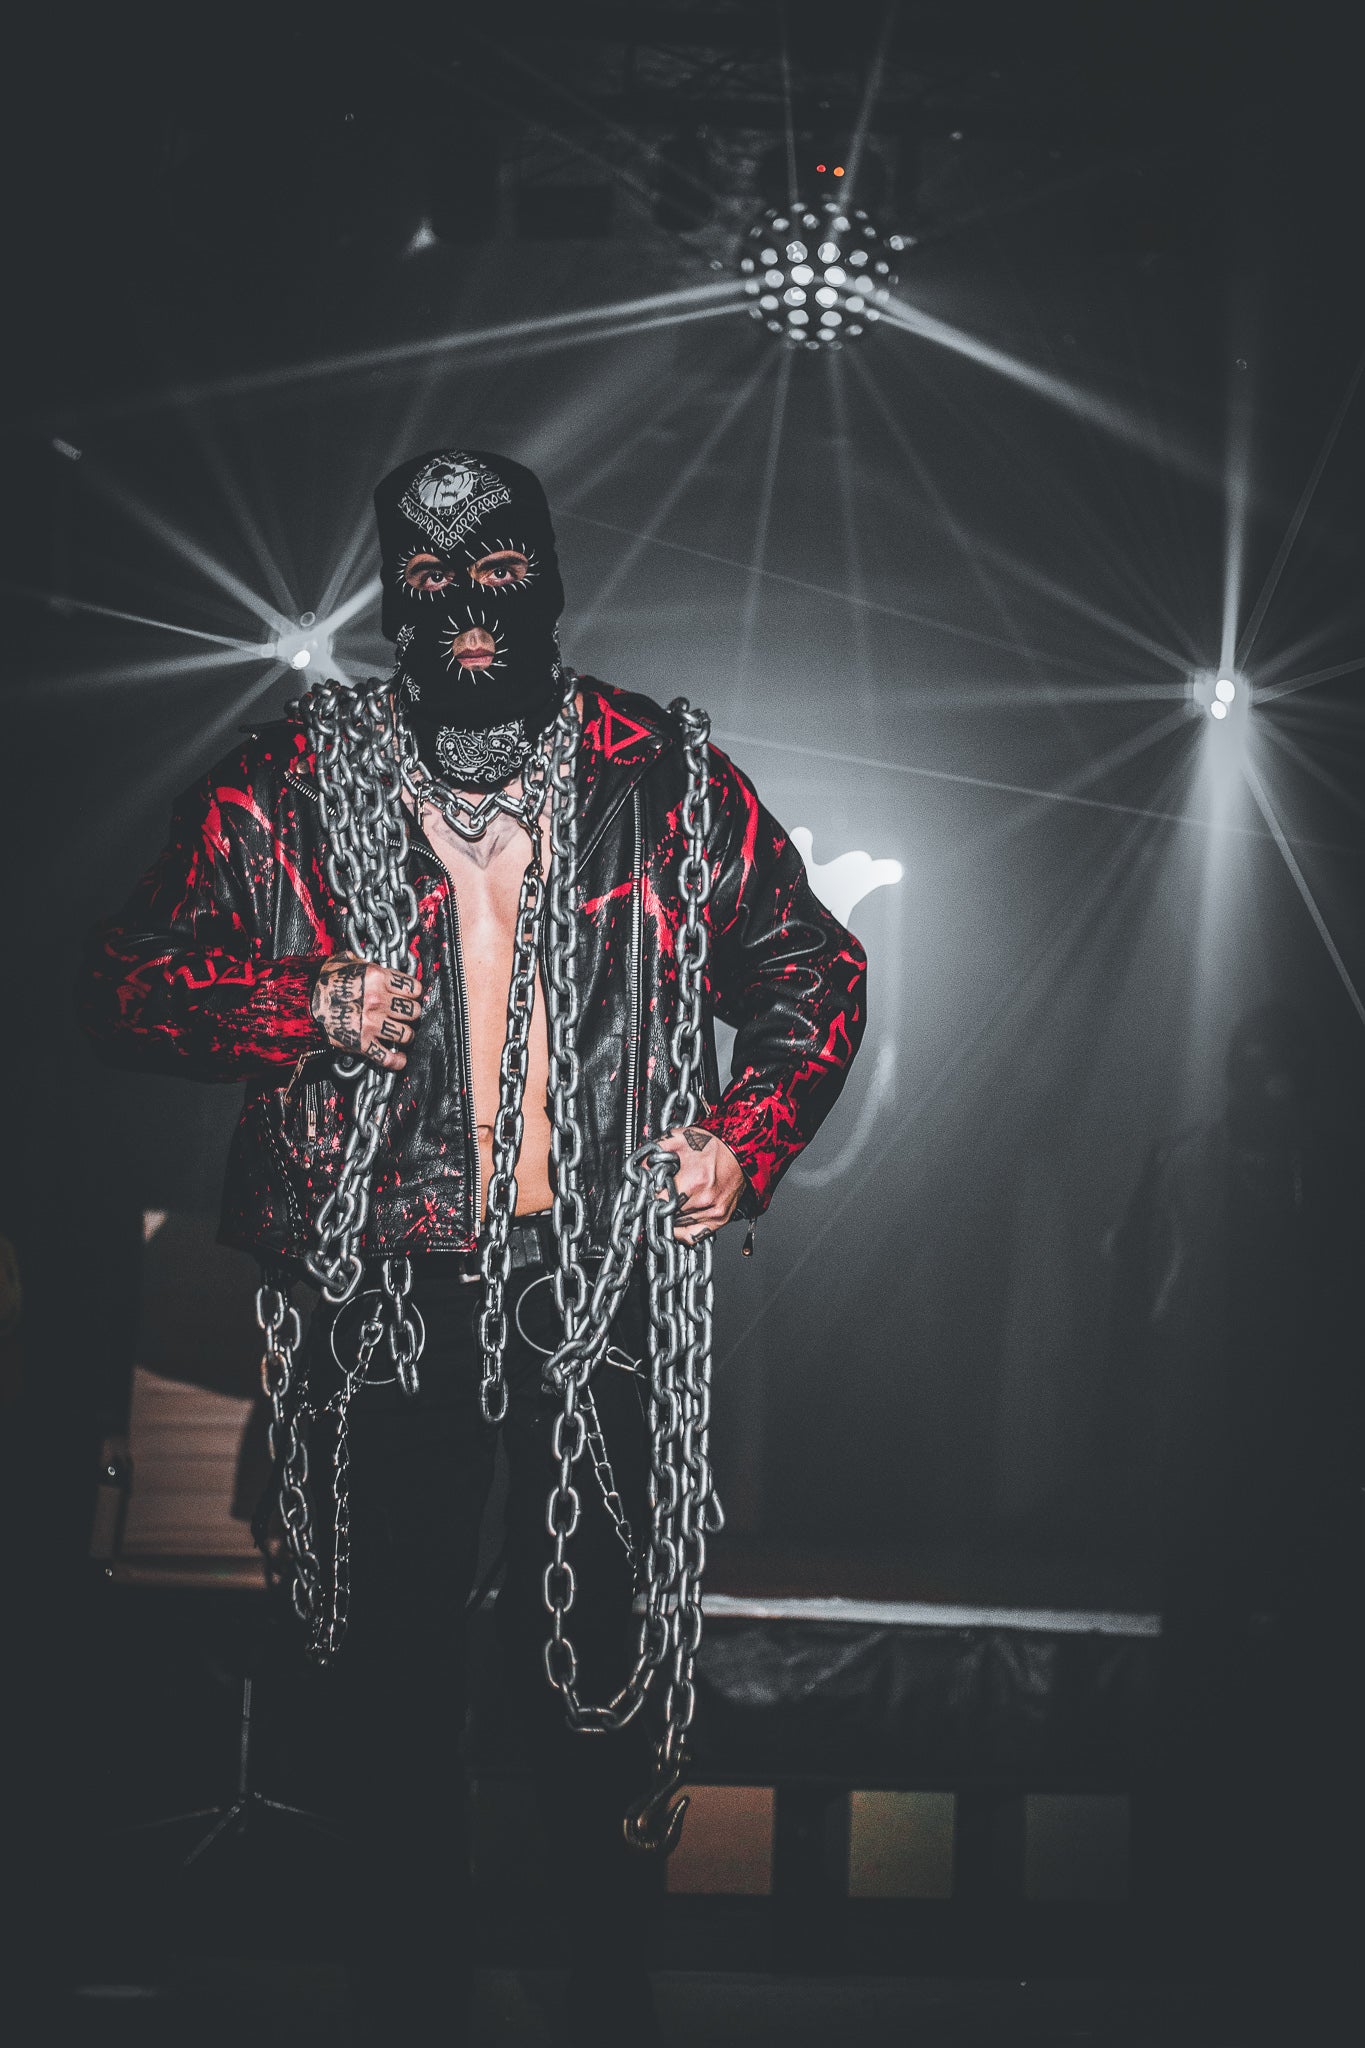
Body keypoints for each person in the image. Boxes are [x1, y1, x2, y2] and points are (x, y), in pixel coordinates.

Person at [80, 446, 867, 2042]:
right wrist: (301, 1005)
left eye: (497, 569)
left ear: (551, 570)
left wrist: (741, 1136)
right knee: (389, 1656)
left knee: (593, 1638)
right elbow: (125, 976)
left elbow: (813, 971)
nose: (467, 608)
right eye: (429, 578)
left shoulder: (659, 770)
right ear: (387, 592)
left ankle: (601, 1970)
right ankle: (411, 1983)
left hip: (600, 1276)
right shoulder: (291, 772)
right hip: (381, 1270)